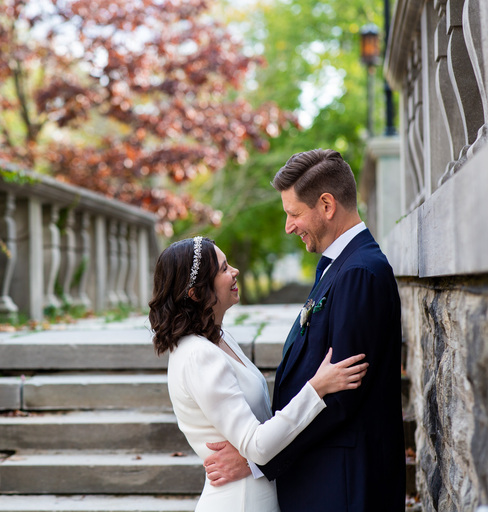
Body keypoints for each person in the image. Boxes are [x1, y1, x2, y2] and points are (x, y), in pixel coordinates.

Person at [204, 149, 406, 511]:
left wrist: (258, 460)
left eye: (294, 213)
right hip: (323, 478)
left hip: (343, 486)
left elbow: (341, 398)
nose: (288, 226)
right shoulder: (337, 266)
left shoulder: (359, 273)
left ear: (326, 205)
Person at [149, 235, 369, 512]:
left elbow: (258, 432)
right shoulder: (197, 355)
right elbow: (257, 444)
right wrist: (317, 388)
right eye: (224, 268)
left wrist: (247, 459)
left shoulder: (219, 338)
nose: (235, 271)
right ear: (196, 293)